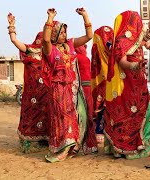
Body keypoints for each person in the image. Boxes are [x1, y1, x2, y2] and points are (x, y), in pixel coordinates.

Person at [41, 7, 92, 163]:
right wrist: (50, 19)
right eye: (61, 32)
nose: (64, 35)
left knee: (78, 116)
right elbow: (45, 40)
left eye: (65, 32)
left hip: (73, 88)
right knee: (62, 118)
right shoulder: (51, 50)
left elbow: (89, 36)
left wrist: (85, 16)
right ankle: (63, 147)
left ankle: (73, 145)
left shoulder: (70, 45)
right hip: (58, 89)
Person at [104, 10, 150, 159]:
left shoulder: (133, 38)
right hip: (127, 85)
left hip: (138, 83)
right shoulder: (122, 40)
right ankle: (127, 146)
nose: (139, 24)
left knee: (142, 111)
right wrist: (136, 65)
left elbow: (143, 40)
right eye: (136, 20)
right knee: (130, 113)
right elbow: (121, 62)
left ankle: (139, 142)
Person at [7, 13, 49, 153]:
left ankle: (45, 142)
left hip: (47, 93)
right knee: (31, 116)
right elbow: (14, 41)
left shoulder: (50, 53)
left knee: (46, 116)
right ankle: (29, 144)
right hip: (32, 95)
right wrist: (12, 26)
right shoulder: (30, 50)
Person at [91, 26, 114, 143]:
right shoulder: (112, 47)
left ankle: (101, 130)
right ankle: (100, 130)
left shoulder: (114, 47)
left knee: (104, 104)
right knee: (103, 105)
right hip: (105, 79)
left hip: (103, 79)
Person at [75, 45, 98, 153]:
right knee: (89, 115)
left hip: (80, 88)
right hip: (87, 88)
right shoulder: (84, 58)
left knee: (80, 116)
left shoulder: (75, 57)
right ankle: (90, 144)